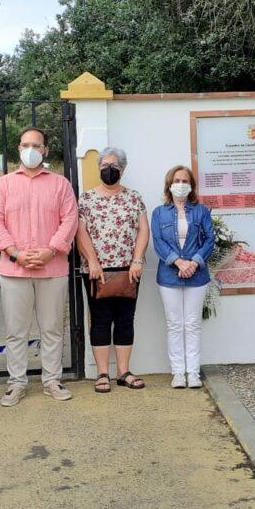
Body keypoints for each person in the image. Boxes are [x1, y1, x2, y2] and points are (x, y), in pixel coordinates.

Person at [0, 127, 79, 407]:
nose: (30, 150)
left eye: (36, 145)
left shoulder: (60, 184)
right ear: (18, 149)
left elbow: (70, 219)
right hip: (14, 270)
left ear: (45, 150)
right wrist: (15, 254)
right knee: (16, 331)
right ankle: (17, 383)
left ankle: (52, 380)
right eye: (25, 144)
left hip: (53, 269)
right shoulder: (3, 184)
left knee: (51, 328)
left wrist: (52, 250)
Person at [75, 148, 150, 393]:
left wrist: (137, 261)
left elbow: (143, 230)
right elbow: (80, 231)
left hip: (128, 270)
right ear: (98, 168)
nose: (109, 169)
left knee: (125, 319)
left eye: (114, 165)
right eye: (105, 164)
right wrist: (93, 262)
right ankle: (103, 373)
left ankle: (124, 371)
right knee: (100, 320)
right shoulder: (86, 198)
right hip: (96, 271)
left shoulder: (134, 197)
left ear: (123, 169)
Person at [150, 165, 214, 389]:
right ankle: (178, 372)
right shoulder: (159, 213)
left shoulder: (201, 211)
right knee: (175, 324)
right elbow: (158, 242)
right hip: (169, 275)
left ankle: (193, 372)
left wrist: (194, 262)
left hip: (197, 276)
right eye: (176, 180)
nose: (180, 184)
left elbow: (209, 240)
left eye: (185, 181)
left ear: (192, 185)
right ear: (169, 184)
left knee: (193, 324)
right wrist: (178, 262)